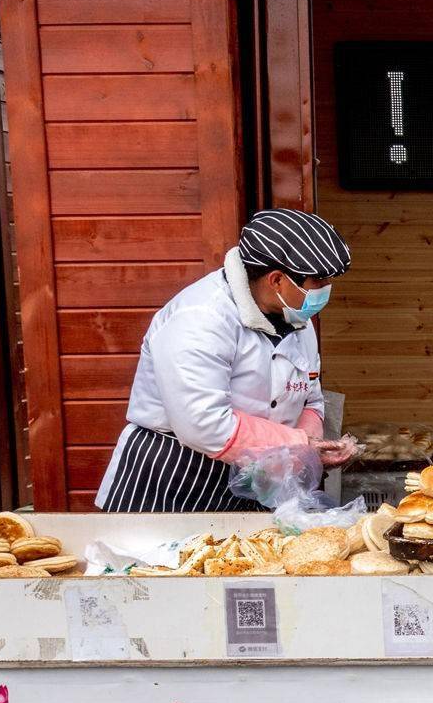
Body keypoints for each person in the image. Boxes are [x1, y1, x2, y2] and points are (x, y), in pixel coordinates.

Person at [95, 209, 358, 512]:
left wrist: (310, 448)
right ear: (276, 280)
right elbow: (204, 425)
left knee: (246, 559)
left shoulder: (299, 322)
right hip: (177, 474)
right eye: (320, 281)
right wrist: (297, 443)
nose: (326, 290)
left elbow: (310, 395)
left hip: (254, 476)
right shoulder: (200, 318)